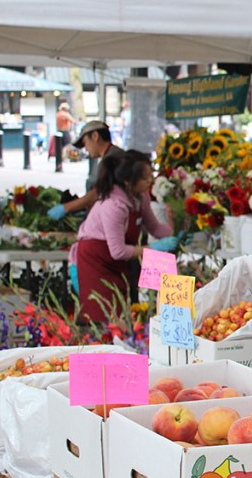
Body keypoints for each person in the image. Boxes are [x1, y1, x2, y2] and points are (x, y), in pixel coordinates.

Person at [70, 150, 177, 324]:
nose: (149, 181)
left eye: (150, 176)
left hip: (116, 262)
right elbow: (118, 251)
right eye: (144, 178)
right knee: (103, 317)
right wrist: (153, 249)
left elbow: (155, 228)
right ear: (128, 182)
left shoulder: (140, 196)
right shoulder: (113, 205)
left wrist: (175, 234)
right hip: (95, 261)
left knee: (123, 311)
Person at [47, 121, 123, 221]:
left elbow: (97, 193)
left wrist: (66, 208)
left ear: (95, 136)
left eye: (85, 143)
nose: (86, 149)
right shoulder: (112, 155)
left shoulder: (112, 158)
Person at [54, 103, 75, 172]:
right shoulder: (65, 114)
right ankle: (65, 157)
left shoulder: (58, 114)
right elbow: (73, 121)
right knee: (67, 145)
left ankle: (60, 159)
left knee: (60, 146)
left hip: (59, 130)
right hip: (65, 130)